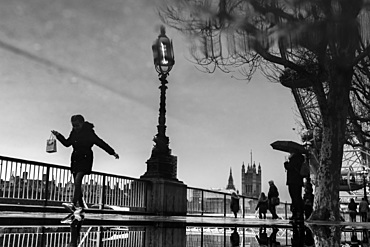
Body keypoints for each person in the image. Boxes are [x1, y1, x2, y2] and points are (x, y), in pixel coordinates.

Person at [52, 114, 119, 216]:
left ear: (82, 123)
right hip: (75, 159)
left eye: (77, 125)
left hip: (85, 159)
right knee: (76, 183)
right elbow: (67, 143)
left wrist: (112, 152)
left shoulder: (89, 133)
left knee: (78, 180)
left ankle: (73, 204)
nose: (75, 128)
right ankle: (82, 205)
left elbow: (100, 143)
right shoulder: (74, 132)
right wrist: (58, 135)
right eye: (73, 125)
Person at [284, 152, 305, 221]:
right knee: (298, 197)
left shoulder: (295, 159)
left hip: (293, 181)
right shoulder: (301, 159)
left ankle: (296, 214)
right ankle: (299, 213)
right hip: (298, 181)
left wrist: (286, 163)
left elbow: (289, 167)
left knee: (294, 198)